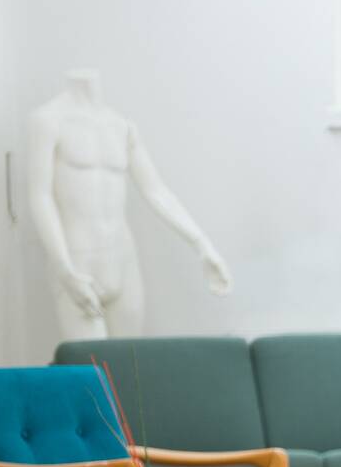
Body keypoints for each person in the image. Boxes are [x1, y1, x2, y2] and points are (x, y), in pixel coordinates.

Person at [28, 68, 231, 340]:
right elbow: (40, 196)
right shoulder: (48, 120)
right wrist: (64, 270)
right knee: (91, 365)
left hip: (124, 261)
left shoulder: (121, 126)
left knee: (129, 361)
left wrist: (202, 245)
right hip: (80, 262)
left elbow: (157, 190)